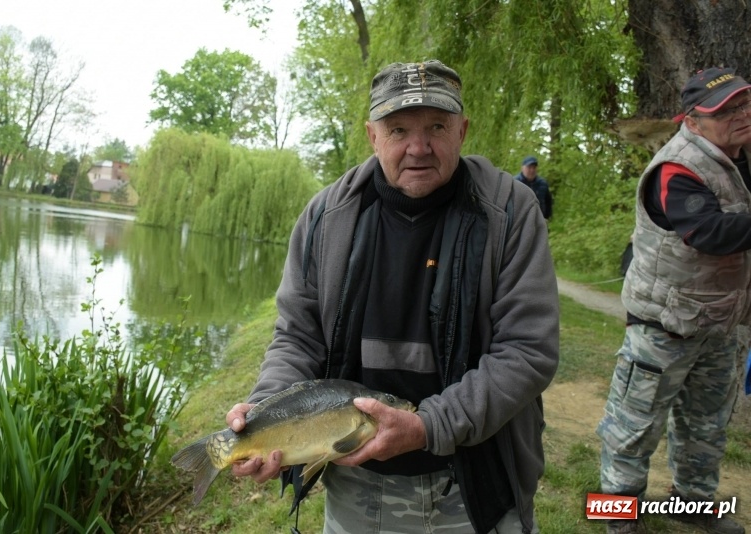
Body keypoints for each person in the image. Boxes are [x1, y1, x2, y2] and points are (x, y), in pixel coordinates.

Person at [225, 60, 559, 533]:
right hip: (355, 483)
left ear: (462, 131)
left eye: (436, 127)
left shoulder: (510, 211)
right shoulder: (326, 217)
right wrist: (266, 412)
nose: (418, 148)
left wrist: (428, 427)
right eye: (398, 128)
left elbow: (528, 352)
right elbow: (297, 338)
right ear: (372, 135)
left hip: (475, 480)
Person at [597, 67, 751, 534]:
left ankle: (694, 505)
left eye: (744, 104)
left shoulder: (742, 155)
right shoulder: (676, 166)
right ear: (694, 120)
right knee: (633, 429)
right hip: (662, 327)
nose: (741, 115)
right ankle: (618, 518)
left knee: (706, 427)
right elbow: (708, 232)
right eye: (725, 110)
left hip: (720, 325)